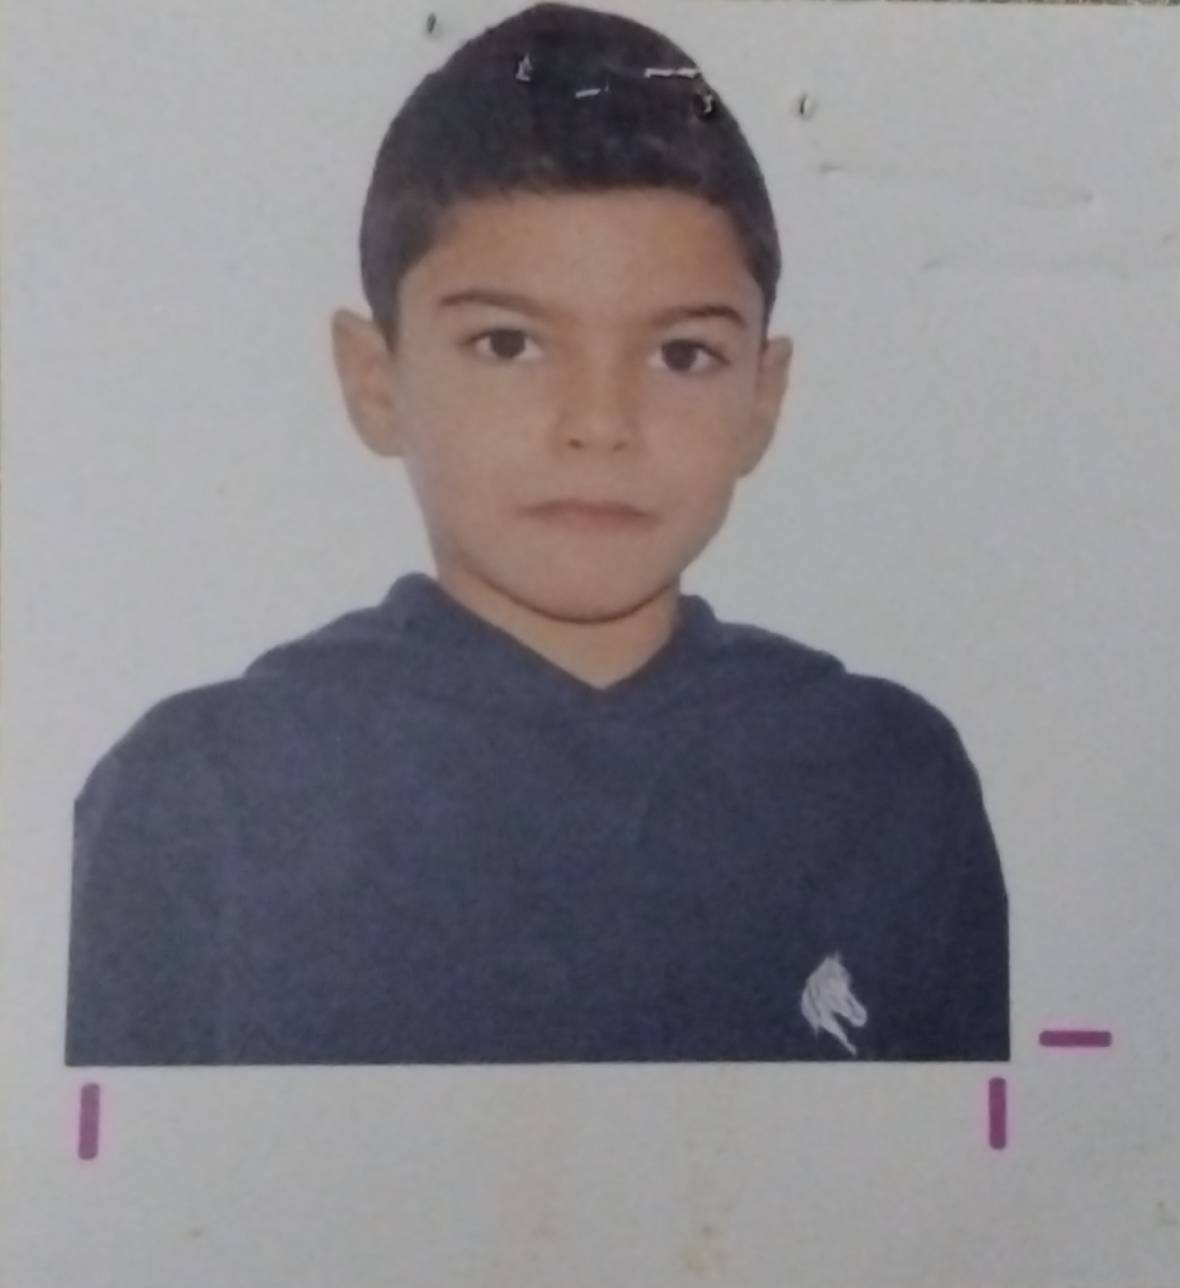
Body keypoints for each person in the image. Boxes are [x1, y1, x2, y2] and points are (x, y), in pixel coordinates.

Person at [65, 1, 1009, 1066]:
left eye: (682, 355)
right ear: (374, 380)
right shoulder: (203, 796)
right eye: (508, 344)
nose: (598, 425)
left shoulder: (885, 778)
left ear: (763, 396)